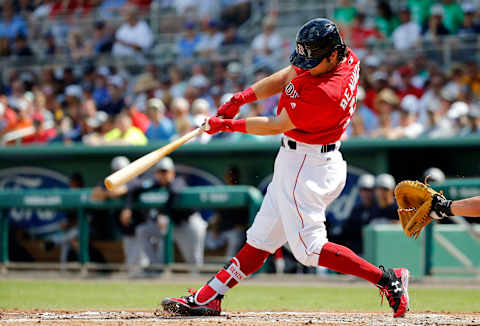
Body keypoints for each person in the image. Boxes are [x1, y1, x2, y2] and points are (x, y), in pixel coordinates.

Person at [162, 18, 409, 318]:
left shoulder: (326, 93)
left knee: (309, 250)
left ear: (333, 54)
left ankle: (388, 280)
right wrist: (240, 98)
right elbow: (290, 73)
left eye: (314, 60)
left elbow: (277, 125)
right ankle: (208, 296)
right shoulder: (344, 56)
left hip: (307, 166)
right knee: (261, 239)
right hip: (307, 160)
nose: (306, 65)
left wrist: (227, 125)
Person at [134, 157, 207, 269]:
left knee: (193, 261)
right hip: (171, 226)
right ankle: (155, 268)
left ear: (172, 172)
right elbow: (136, 189)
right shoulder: (155, 185)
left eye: (165, 172)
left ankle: (198, 281)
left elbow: (174, 192)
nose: (163, 175)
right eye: (160, 172)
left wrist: (162, 214)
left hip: (188, 224)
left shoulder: (178, 181)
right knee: (142, 231)